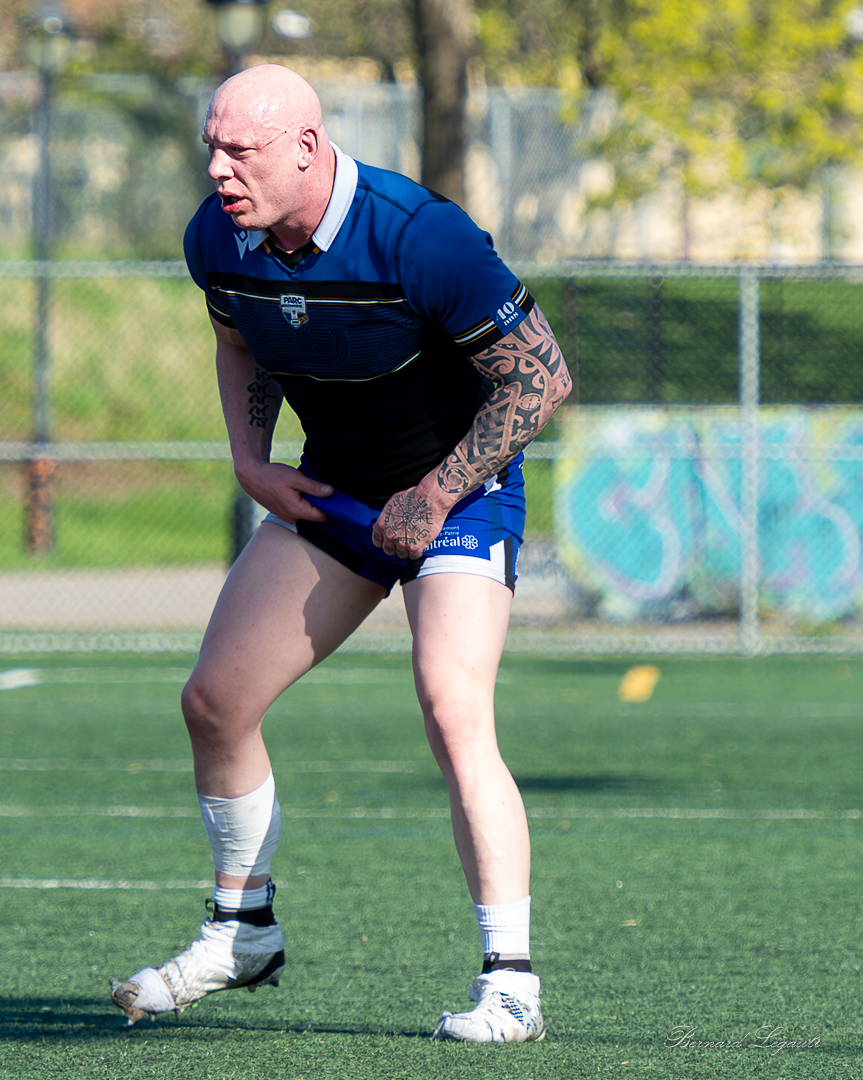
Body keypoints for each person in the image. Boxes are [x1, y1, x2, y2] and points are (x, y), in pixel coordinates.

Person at [110, 63, 571, 1044]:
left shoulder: (421, 237)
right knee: (215, 700)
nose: (220, 170)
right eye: (212, 148)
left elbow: (541, 379)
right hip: (338, 492)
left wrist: (438, 492)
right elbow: (238, 336)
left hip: (460, 498)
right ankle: (243, 932)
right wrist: (249, 461)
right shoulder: (217, 236)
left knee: (452, 708)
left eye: (241, 151)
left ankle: (512, 986)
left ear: (307, 149)